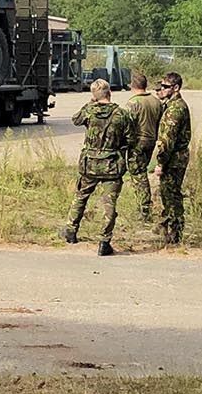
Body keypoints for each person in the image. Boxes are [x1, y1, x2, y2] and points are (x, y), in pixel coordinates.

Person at [64, 79, 133, 256]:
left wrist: (91, 102)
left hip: (90, 164)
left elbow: (75, 120)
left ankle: (71, 231)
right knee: (109, 204)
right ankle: (104, 241)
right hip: (111, 164)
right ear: (110, 93)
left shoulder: (90, 111)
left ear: (94, 96)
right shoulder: (121, 114)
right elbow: (130, 139)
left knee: (81, 196)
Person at [151, 71, 192, 245]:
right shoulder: (172, 106)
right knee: (168, 194)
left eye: (166, 87)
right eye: (161, 86)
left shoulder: (175, 109)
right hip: (175, 158)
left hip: (173, 159)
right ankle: (168, 227)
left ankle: (175, 233)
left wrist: (160, 163)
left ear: (175, 88)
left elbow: (168, 140)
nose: (162, 89)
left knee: (171, 196)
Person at [123, 72, 164, 222]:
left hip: (138, 142)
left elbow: (126, 125)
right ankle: (143, 206)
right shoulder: (156, 101)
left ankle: (144, 209)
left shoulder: (133, 103)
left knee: (139, 176)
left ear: (132, 86)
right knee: (142, 171)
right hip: (151, 140)